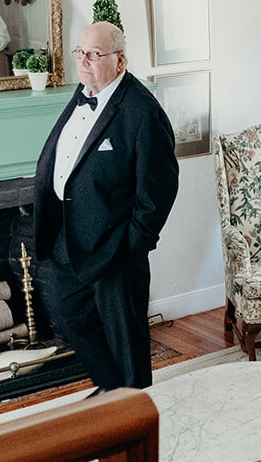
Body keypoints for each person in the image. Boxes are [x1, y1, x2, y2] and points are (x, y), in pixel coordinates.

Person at [32, 22, 178, 391]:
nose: (83, 61)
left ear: (120, 60)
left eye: (94, 55)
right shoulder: (84, 92)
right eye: (80, 53)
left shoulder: (142, 112)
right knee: (69, 317)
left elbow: (159, 189)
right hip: (70, 239)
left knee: (126, 342)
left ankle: (137, 418)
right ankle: (114, 394)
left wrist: (132, 244)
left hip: (116, 249)